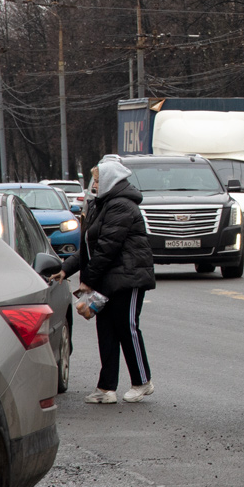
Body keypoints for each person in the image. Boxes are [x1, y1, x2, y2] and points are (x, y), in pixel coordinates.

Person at [55, 160, 156, 404]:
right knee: (107, 331)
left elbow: (107, 248)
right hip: (110, 279)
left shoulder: (121, 206)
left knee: (127, 328)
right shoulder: (103, 205)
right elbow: (91, 247)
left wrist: (88, 280)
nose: (94, 185)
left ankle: (142, 382)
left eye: (98, 180)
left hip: (128, 278)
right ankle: (106, 388)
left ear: (110, 181)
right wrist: (65, 269)